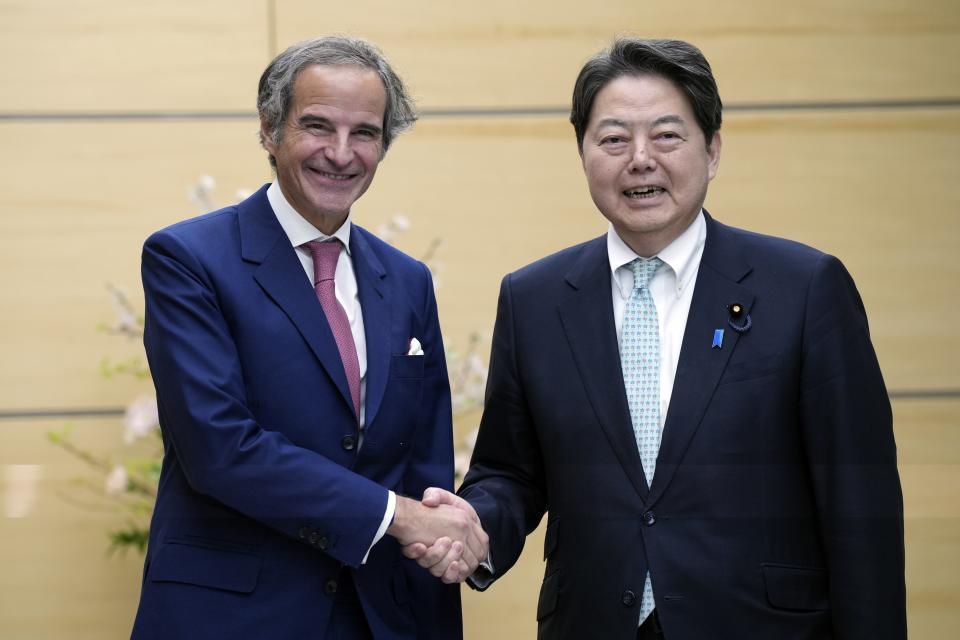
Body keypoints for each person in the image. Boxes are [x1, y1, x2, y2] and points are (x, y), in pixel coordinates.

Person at [408, 38, 906, 638]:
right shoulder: (534, 298)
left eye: (667, 136)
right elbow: (511, 471)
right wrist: (475, 524)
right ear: (583, 153)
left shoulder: (803, 288)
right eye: (614, 139)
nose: (640, 159)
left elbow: (860, 505)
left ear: (713, 150)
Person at [131, 36, 486, 640]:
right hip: (233, 618)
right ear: (270, 130)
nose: (341, 154)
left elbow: (422, 467)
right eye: (317, 126)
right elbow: (220, 448)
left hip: (377, 615)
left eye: (366, 134)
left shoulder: (406, 280)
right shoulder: (188, 259)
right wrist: (394, 517)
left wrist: (443, 542)